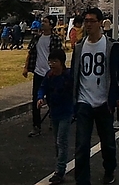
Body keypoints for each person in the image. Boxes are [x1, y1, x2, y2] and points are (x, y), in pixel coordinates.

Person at [71, 7, 119, 185]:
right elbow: (74, 72)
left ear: (100, 23)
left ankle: (109, 170)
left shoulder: (111, 46)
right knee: (81, 145)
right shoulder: (80, 47)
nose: (88, 24)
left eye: (91, 21)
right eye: (86, 21)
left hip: (104, 102)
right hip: (83, 101)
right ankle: (82, 180)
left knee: (108, 143)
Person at [36, 49, 73, 184]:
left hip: (66, 112)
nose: (51, 64)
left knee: (61, 141)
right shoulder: (49, 75)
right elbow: (42, 88)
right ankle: (59, 165)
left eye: (55, 61)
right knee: (57, 142)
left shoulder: (68, 75)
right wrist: (40, 98)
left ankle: (60, 170)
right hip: (55, 113)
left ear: (62, 62)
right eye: (50, 61)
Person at [23, 17, 63, 137]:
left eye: (45, 22)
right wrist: (26, 68)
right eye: (42, 21)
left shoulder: (55, 39)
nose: (42, 24)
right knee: (36, 99)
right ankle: (36, 126)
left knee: (53, 98)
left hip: (51, 73)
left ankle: (54, 118)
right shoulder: (37, 38)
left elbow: (60, 56)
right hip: (38, 72)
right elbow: (30, 53)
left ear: (51, 25)